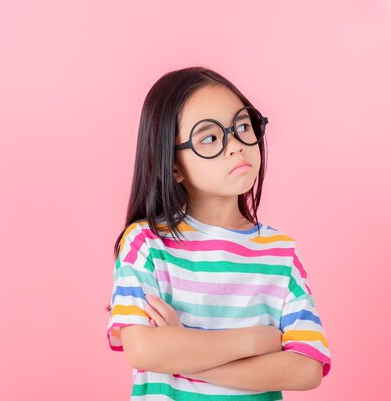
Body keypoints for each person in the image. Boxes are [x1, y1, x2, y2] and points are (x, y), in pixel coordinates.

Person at [105, 66, 331, 400]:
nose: (237, 146)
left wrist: (185, 353)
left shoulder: (280, 252)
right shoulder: (146, 243)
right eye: (209, 138)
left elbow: (306, 368)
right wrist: (256, 341)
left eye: (242, 126)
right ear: (174, 167)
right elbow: (142, 349)